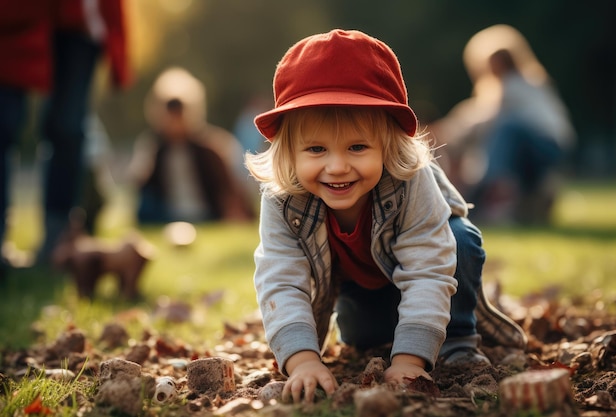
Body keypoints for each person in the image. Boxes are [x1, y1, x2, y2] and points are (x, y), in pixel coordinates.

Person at [245, 29, 527, 403]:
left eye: (357, 147)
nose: (337, 166)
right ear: (289, 153)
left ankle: (457, 337)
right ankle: (407, 325)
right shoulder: (283, 199)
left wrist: (410, 359)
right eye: (316, 149)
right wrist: (302, 360)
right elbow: (280, 278)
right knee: (366, 338)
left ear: (389, 144)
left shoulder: (411, 181)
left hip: (431, 266)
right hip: (360, 285)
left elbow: (429, 265)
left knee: (460, 241)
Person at [0, 0, 132, 268]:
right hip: (10, 19)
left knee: (67, 128)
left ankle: (58, 241)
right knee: (3, 124)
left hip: (78, 22)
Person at [431, 25, 576, 225]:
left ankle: (493, 198)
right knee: (498, 137)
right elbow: (479, 114)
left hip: (544, 147)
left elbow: (484, 117)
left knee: (505, 130)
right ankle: (525, 203)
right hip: (538, 151)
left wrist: (446, 131)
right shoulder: (527, 85)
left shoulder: (517, 85)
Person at [127, 67, 256, 224]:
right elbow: (140, 184)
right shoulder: (154, 149)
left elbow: (228, 188)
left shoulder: (210, 148)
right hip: (166, 216)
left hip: (207, 214)